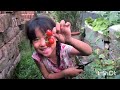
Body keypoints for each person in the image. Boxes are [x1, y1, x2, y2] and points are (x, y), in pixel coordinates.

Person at [25, 15, 92, 79]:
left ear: (56, 37)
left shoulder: (64, 49)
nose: (42, 44)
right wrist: (66, 73)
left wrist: (69, 40)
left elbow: (88, 51)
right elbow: (47, 76)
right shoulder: (37, 57)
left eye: (47, 37)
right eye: (36, 39)